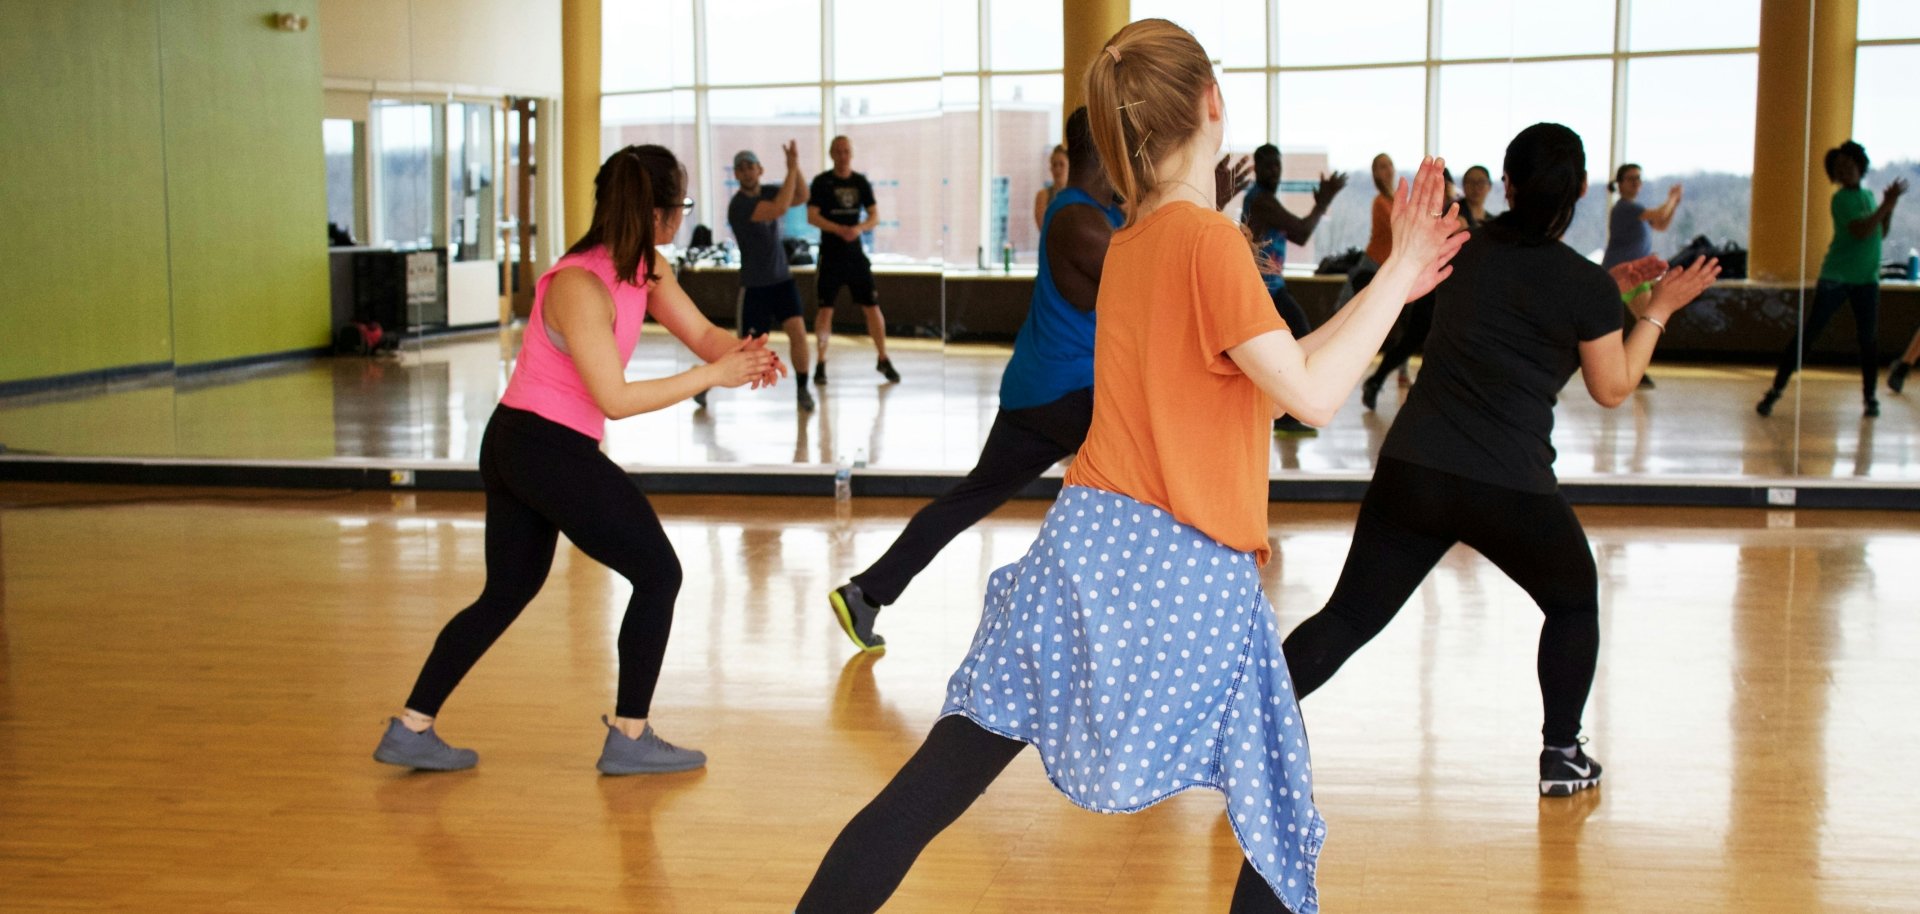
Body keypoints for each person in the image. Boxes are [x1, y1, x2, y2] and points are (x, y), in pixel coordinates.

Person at [796, 20, 1465, 913]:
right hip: (1186, 563)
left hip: (1084, 546)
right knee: (1274, 806)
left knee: (933, 785)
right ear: (1213, 102)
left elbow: (1275, 379)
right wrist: (1397, 271)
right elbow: (1310, 396)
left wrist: (1394, 286)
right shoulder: (1208, 241)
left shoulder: (1138, 240)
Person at [1278, 123, 1721, 800]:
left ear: (1507, 185)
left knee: (1348, 617)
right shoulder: (1582, 286)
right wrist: (1656, 309)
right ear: (1581, 190)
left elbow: (1514, 295)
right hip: (1508, 486)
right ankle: (1561, 754)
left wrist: (1608, 292)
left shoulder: (1464, 249)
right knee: (1572, 601)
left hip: (1415, 470)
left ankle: (1243, 727)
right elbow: (1613, 387)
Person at [372, 145, 783, 775]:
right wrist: (712, 376)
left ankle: (411, 727)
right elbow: (614, 400)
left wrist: (745, 356)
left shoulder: (646, 267)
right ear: (655, 212)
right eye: (680, 204)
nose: (682, 216)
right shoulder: (578, 286)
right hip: (540, 447)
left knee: (507, 591)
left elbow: (703, 334)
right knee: (658, 574)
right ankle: (630, 736)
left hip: (531, 445)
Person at [826, 107, 1245, 652]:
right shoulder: (1078, 222)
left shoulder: (1098, 213)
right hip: (1066, 394)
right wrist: (1204, 206)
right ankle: (1156, 629)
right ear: (1107, 151)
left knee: (974, 499)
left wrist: (1199, 204)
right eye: (1128, 148)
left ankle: (865, 593)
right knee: (1161, 487)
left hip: (1040, 390)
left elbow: (1152, 245)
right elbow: (1158, 278)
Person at [1757, 140, 1907, 419]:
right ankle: (1775, 391)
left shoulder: (1868, 196)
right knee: (1810, 335)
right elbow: (1861, 231)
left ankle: (1870, 398)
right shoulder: (1840, 200)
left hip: (1866, 279)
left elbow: (1880, 232)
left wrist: (1890, 206)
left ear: (1859, 166)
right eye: (1839, 168)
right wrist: (1885, 205)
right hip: (1836, 277)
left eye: (1849, 165)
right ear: (1834, 175)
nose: (1845, 171)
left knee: (1868, 340)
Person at [1241, 143, 1348, 436]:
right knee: (1300, 338)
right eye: (1268, 166)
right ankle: (1286, 413)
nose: (1274, 171)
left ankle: (1285, 411)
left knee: (1298, 339)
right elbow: (1301, 233)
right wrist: (1322, 204)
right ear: (1257, 168)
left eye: (1277, 165)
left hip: (1273, 287)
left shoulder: (1264, 199)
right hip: (1265, 289)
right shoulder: (1261, 201)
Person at [1360, 168, 1460, 410]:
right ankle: (1376, 381)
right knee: (1412, 339)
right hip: (1428, 289)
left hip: (1456, 291)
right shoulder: (1429, 214)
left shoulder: (1464, 211)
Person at [726, 142, 815, 412]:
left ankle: (802, 388)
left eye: (750, 167)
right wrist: (790, 170)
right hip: (755, 287)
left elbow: (801, 195)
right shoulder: (739, 206)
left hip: (782, 281)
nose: (746, 172)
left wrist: (795, 167)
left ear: (760, 170)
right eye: (741, 168)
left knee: (798, 332)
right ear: (736, 175)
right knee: (744, 349)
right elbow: (778, 209)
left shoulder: (768, 191)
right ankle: (705, 385)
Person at [808, 135, 899, 385]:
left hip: (855, 255)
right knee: (825, 310)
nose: (842, 155)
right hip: (830, 255)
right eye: (838, 151)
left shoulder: (860, 182)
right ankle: (821, 362)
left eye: (846, 151)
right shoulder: (822, 182)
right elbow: (812, 216)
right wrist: (837, 229)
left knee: (872, 307)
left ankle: (883, 357)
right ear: (831, 154)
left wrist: (858, 228)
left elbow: (874, 215)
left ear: (851, 154)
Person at [1600, 164, 1682, 270]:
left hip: (1629, 271)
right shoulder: (1625, 207)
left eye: (1638, 178)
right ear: (1619, 184)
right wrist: (1673, 197)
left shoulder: (1637, 210)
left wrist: (1674, 204)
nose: (1635, 182)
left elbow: (1661, 225)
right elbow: (1661, 214)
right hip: (1618, 271)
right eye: (1630, 179)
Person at [1033, 143, 1068, 230]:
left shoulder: (1076, 194)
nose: (1058, 169)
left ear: (1069, 167)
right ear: (1051, 168)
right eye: (1054, 165)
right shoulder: (1043, 195)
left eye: (1061, 164)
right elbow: (1043, 227)